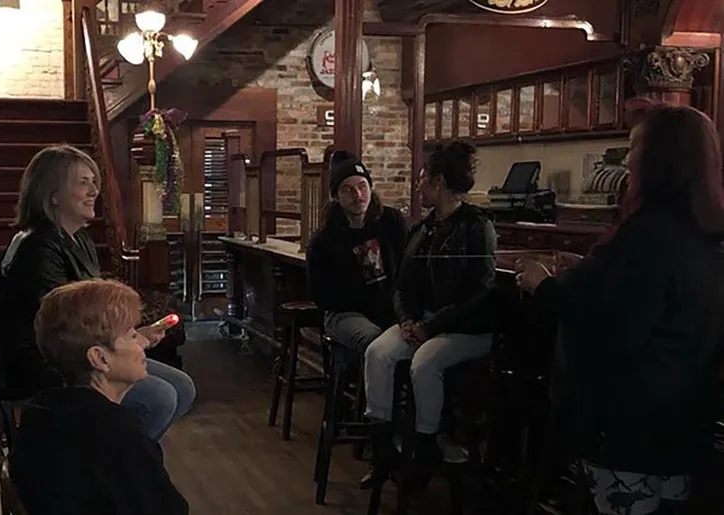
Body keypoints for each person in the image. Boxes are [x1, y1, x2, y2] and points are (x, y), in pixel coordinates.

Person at [517, 105, 724, 515]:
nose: (626, 160)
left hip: (629, 427)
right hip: (685, 420)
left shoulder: (648, 237)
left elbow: (611, 332)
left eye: (634, 147)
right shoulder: (707, 234)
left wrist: (544, 287)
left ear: (659, 158)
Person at [0, 144, 195, 441]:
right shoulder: (37, 246)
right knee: (161, 397)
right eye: (82, 182)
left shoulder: (79, 239)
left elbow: (94, 312)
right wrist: (128, 341)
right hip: (54, 364)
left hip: (88, 352)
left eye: (94, 182)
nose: (94, 191)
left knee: (182, 386)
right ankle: (107, 465)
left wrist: (133, 334)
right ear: (52, 193)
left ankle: (120, 461)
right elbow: (66, 327)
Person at [363, 141, 497, 487]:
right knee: (377, 352)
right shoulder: (422, 229)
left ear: (439, 182)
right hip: (422, 323)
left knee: (424, 363)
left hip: (466, 329)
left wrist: (432, 325)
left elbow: (480, 291)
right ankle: (383, 448)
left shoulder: (477, 226)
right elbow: (402, 285)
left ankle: (426, 447)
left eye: (423, 179)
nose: (418, 186)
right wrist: (407, 319)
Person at [12, 279, 188, 515]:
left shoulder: (43, 410)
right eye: (131, 335)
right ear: (100, 359)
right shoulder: (115, 434)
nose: (141, 345)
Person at [307, 151, 407, 353]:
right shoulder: (324, 240)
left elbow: (407, 269)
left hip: (392, 309)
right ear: (336, 196)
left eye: (362, 186)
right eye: (348, 189)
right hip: (344, 314)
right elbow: (323, 296)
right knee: (377, 342)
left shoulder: (392, 221)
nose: (358, 195)